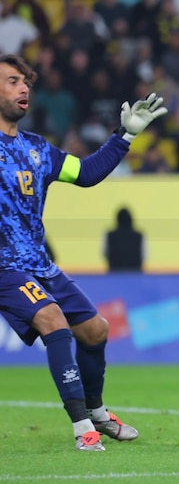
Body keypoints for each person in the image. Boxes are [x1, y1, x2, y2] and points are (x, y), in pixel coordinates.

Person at [0, 53, 166, 451]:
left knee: (96, 330)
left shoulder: (38, 149)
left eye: (26, 82)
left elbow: (88, 174)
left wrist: (125, 136)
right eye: (11, 81)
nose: (23, 88)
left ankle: (97, 412)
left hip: (39, 264)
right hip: (4, 266)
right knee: (53, 320)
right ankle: (81, 430)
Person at [103, 207, 145, 272]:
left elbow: (105, 254)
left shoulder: (109, 236)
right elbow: (144, 256)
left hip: (115, 275)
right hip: (135, 276)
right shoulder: (139, 236)